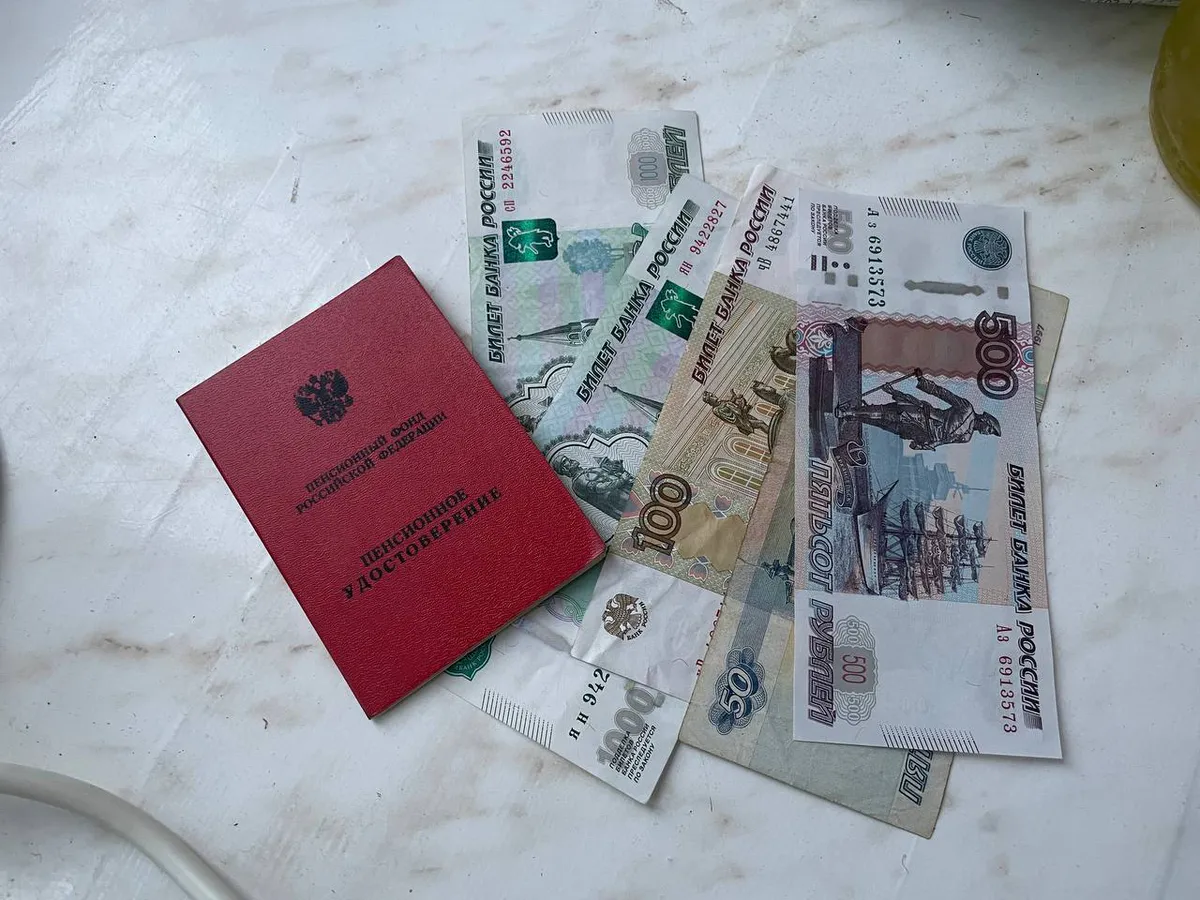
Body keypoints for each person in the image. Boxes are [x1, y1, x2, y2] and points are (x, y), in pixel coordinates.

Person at [836, 369, 1001, 451]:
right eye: (989, 430)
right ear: (986, 421)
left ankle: (851, 416)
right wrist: (922, 381)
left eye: (989, 433)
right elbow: (943, 393)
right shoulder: (966, 408)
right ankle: (848, 412)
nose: (986, 433)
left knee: (884, 423)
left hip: (922, 434)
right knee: (885, 414)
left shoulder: (966, 438)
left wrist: (924, 446)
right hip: (923, 417)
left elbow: (943, 441)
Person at [550, 455, 633, 521]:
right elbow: (601, 488)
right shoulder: (578, 482)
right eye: (565, 461)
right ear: (564, 469)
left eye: (567, 458)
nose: (570, 460)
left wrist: (618, 469)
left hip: (626, 491)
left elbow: (609, 476)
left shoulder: (589, 470)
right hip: (621, 501)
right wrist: (622, 480)